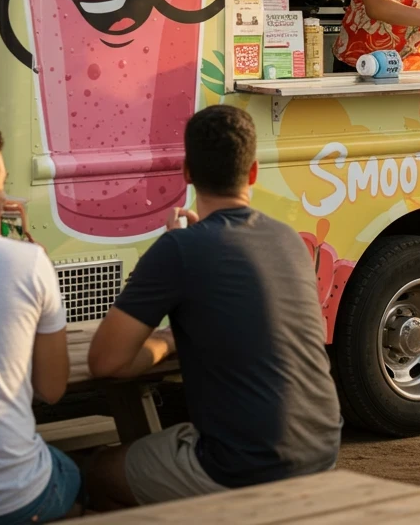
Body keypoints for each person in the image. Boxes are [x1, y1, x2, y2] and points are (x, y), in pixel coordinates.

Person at [85, 106, 341, 510]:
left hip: (244, 466)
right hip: (322, 447)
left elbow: (105, 362)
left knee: (96, 470)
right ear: (253, 172)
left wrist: (167, 338)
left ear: (187, 172)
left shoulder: (181, 248)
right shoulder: (289, 240)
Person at [0, 125, 81, 524]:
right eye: (1, 185)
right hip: (11, 495)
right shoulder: (28, 263)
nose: (4, 195)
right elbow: (52, 389)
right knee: (79, 473)